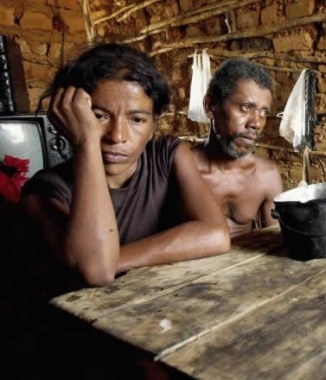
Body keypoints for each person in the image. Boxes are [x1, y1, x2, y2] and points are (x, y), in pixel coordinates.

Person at [20, 43, 231, 287]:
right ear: (71, 118)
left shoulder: (168, 156)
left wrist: (113, 260)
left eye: (137, 119)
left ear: (153, 126)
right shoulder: (44, 191)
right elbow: (96, 271)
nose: (117, 136)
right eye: (99, 116)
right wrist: (86, 142)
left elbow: (216, 234)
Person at [193, 59, 283, 237]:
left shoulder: (266, 175)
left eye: (263, 112)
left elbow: (276, 243)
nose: (256, 123)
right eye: (246, 107)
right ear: (210, 106)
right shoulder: (181, 170)